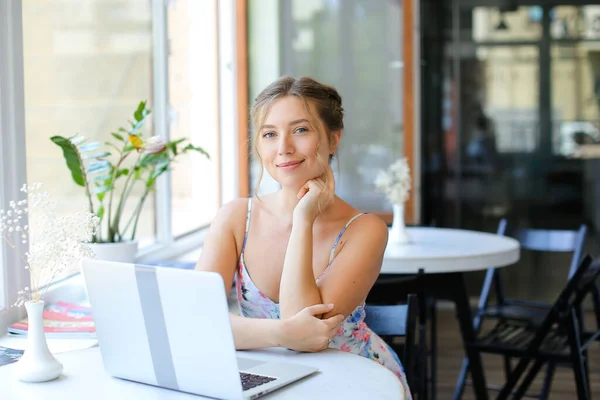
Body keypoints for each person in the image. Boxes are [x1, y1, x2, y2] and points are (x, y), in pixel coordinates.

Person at [195, 76, 411, 397]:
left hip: (352, 382)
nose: (284, 148)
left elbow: (311, 339)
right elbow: (197, 321)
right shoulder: (235, 217)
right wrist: (283, 333)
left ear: (333, 140)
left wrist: (302, 219)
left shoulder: (366, 229)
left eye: (301, 130)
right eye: (270, 134)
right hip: (265, 379)